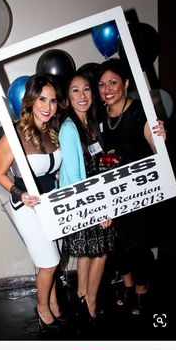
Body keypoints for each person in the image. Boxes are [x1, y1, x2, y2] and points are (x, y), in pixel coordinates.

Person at [0, 74, 66, 333]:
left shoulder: (54, 132)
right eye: (42, 99)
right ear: (31, 101)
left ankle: (54, 302)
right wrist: (19, 192)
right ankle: (42, 308)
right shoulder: (13, 134)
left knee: (54, 259)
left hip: (52, 205)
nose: (48, 106)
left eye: (53, 100)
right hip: (27, 207)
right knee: (48, 263)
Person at [97, 57, 167, 315]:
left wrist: (160, 137)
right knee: (116, 244)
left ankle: (140, 288)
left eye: (113, 82)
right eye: (102, 84)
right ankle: (126, 285)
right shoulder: (99, 115)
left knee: (137, 246)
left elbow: (157, 149)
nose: (107, 89)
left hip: (139, 193)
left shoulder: (140, 111)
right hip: (111, 193)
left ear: (125, 83)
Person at [58, 71, 115, 323]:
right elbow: (72, 176)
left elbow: (100, 160)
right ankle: (90, 301)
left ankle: (82, 296)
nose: (82, 95)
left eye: (86, 89)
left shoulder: (91, 123)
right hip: (85, 200)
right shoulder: (70, 128)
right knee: (100, 252)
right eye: (75, 90)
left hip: (96, 195)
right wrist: (96, 208)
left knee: (87, 253)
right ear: (67, 98)